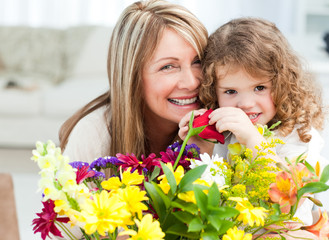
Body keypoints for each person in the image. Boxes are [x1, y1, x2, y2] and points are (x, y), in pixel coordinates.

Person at [179, 17, 328, 237]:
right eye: (230, 91)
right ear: (213, 91)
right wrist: (200, 145)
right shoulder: (225, 132)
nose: (246, 103)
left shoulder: (298, 134)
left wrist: (254, 141)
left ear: (282, 84)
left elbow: (293, 216)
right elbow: (204, 198)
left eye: (259, 87)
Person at [59, 0, 208, 167]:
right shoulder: (93, 136)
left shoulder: (224, 124)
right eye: (168, 67)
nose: (192, 82)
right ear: (132, 77)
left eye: (198, 61)